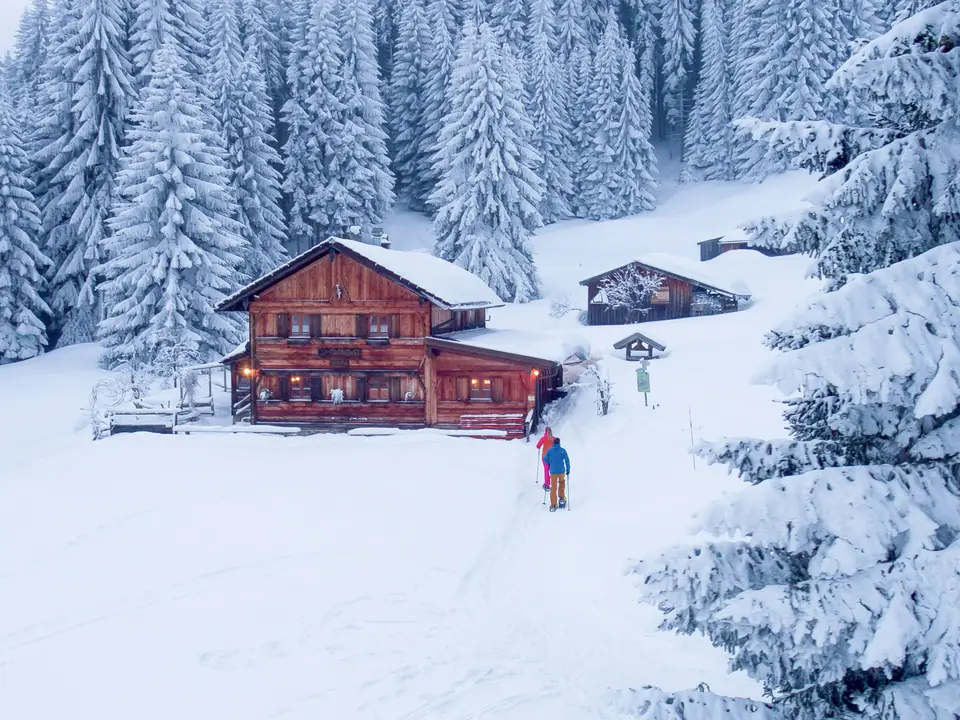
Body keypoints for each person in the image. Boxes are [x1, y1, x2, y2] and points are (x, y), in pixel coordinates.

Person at [542, 437, 570, 511]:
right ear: (559, 443)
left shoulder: (550, 451)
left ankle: (553, 504)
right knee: (561, 484)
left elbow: (545, 459)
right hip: (561, 471)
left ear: (553, 443)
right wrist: (568, 470)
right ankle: (561, 499)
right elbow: (567, 460)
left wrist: (550, 463)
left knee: (553, 487)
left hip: (553, 471)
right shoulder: (562, 451)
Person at [535, 426, 554, 490]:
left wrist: (540, 446)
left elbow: (537, 446)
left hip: (545, 457)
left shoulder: (543, 438)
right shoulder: (553, 439)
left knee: (546, 470)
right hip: (552, 457)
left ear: (545, 431)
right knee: (551, 469)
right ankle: (553, 481)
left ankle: (547, 484)